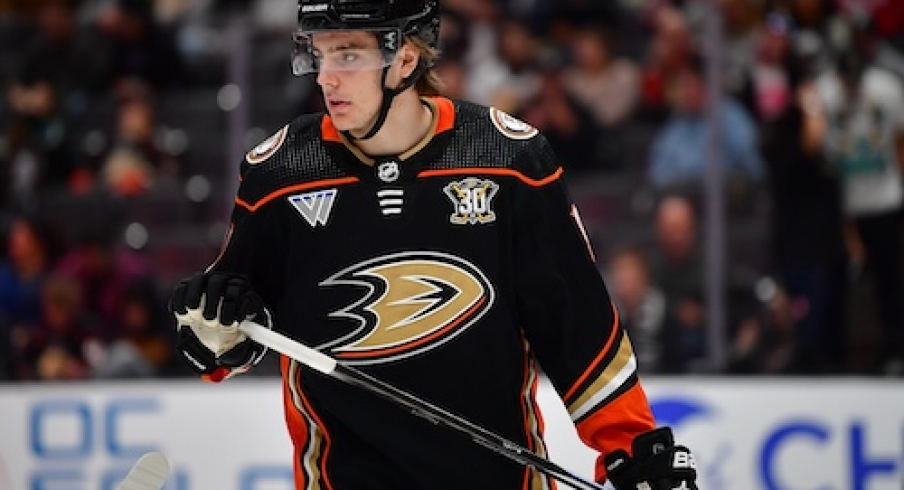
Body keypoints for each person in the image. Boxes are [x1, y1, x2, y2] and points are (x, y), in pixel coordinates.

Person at [168, 1, 699, 489]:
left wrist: (630, 444)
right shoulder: (280, 172)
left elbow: (578, 327)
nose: (327, 77)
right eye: (320, 54)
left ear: (405, 60)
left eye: (348, 55)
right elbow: (231, 329)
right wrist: (213, 327)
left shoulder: (509, 161)